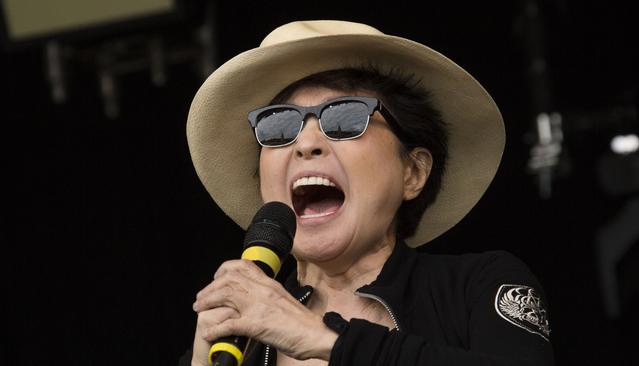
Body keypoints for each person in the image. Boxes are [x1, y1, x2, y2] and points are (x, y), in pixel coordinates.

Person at [181, 20, 554, 366]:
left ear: (413, 172)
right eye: (279, 126)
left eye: (345, 118)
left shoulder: (477, 285)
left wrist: (327, 340)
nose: (306, 143)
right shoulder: (237, 340)